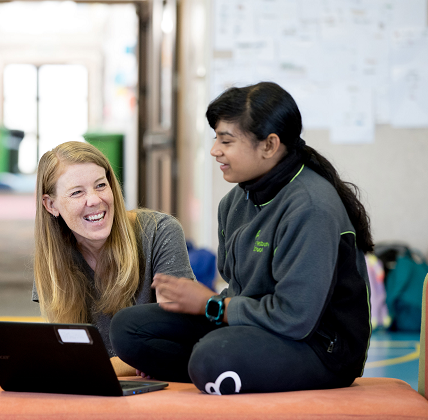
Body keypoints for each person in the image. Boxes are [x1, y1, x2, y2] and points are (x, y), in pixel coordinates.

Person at [110, 82, 372, 394]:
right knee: (128, 329)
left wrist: (210, 305)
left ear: (269, 145)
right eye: (215, 138)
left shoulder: (311, 207)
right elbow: (241, 291)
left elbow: (295, 319)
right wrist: (208, 306)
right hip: (254, 325)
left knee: (214, 355)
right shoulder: (235, 203)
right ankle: (215, 366)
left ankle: (213, 365)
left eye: (226, 140)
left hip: (319, 346)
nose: (214, 150)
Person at [33, 141, 195, 375]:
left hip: (159, 389)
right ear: (50, 205)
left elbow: (171, 342)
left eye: (100, 185)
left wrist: (90, 367)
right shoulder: (53, 260)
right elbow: (70, 349)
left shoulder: (160, 232)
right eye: (77, 192)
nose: (95, 200)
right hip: (97, 389)